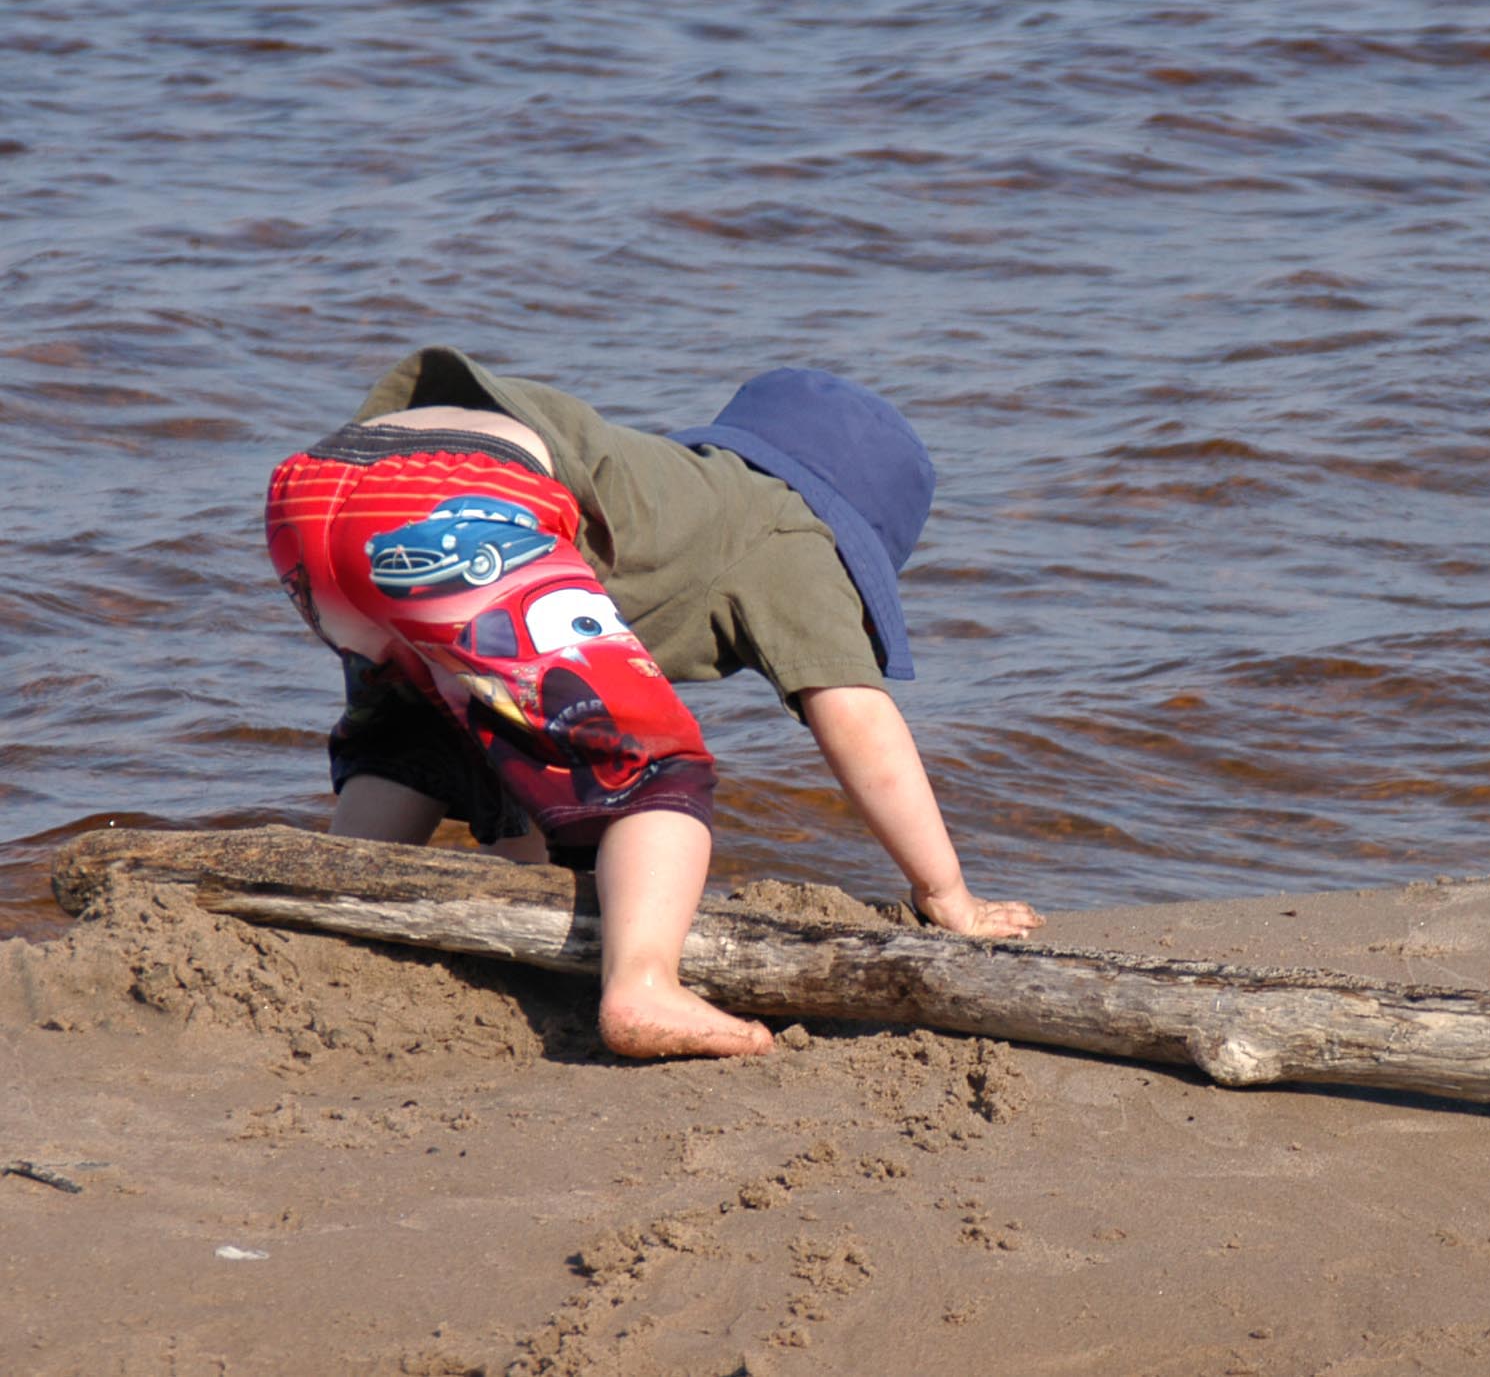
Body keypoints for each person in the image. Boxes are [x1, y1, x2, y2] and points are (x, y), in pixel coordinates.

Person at [263, 347, 1042, 1060]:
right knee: (654, 769)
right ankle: (643, 986)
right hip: (467, 493)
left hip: (317, 486)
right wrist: (947, 894)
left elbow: (521, 730)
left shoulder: (681, 493)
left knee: (421, 732)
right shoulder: (788, 527)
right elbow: (858, 715)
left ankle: (331, 899)